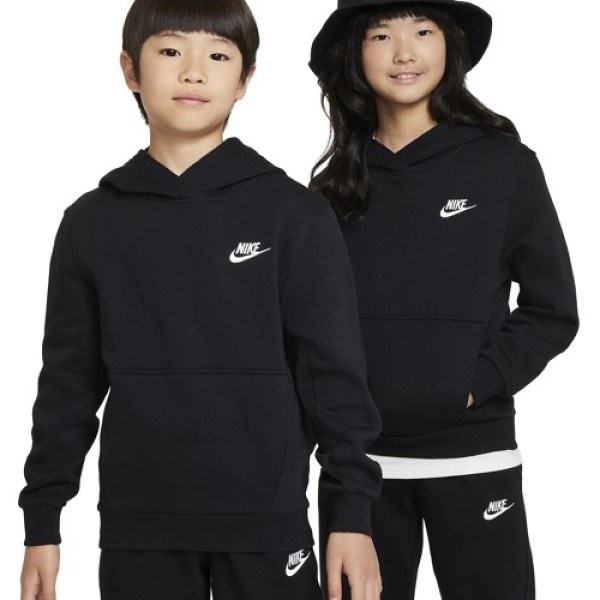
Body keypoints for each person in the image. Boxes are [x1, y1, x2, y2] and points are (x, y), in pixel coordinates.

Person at [18, 1, 384, 599]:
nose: (193, 71)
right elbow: (67, 385)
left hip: (268, 523)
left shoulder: (295, 216)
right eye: (170, 50)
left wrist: (351, 515)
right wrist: (42, 521)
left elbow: (335, 379)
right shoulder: (91, 223)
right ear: (130, 70)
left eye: (217, 55)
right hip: (140, 531)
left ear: (244, 79)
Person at [308, 1, 579, 599]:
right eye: (382, 35)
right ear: (355, 53)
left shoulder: (504, 167)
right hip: (360, 474)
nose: (404, 52)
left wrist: (472, 384)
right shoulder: (333, 188)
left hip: (475, 457)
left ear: (449, 44)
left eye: (423, 31)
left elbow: (552, 309)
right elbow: (311, 332)